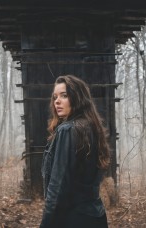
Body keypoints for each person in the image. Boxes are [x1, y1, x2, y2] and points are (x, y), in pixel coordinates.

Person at [40, 75, 110, 228]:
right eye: (55, 97)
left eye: (64, 96)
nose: (57, 101)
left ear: (77, 98)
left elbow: (56, 189)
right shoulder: (92, 127)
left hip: (72, 219)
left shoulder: (67, 130)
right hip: (96, 217)